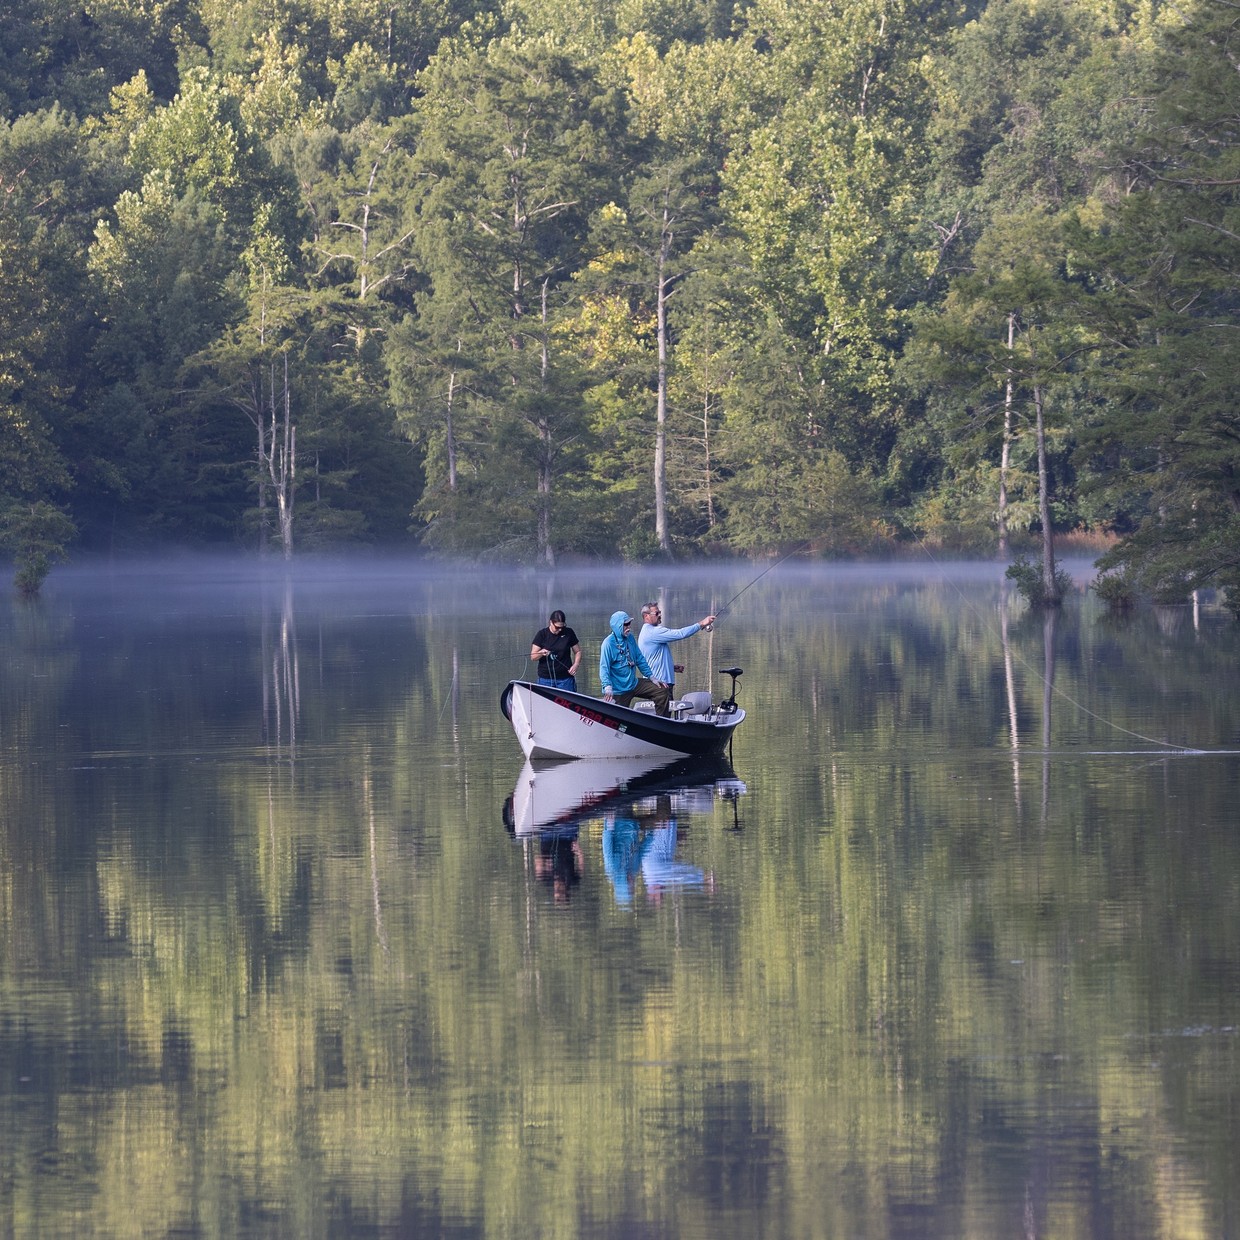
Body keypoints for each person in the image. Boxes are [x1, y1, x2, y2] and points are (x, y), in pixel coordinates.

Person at [636, 601, 716, 701]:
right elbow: (680, 633)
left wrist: (671, 667)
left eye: (660, 612)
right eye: (657, 613)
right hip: (661, 686)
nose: (660, 615)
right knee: (663, 715)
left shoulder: (646, 632)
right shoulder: (653, 632)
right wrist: (702, 623)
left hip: (656, 684)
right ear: (646, 616)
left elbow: (650, 659)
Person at [598, 611, 671, 715]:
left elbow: (639, 658)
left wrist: (651, 677)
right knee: (619, 718)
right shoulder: (608, 644)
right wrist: (607, 686)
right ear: (617, 626)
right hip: (618, 690)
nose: (629, 627)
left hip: (633, 684)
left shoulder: (630, 638)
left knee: (662, 690)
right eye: (625, 624)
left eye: (629, 624)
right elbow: (604, 668)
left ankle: (662, 722)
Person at [530, 609, 581, 691]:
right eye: (557, 627)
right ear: (551, 622)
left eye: (562, 627)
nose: (560, 630)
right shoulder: (542, 634)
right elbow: (533, 657)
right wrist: (541, 652)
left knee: (568, 703)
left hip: (565, 679)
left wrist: (576, 664)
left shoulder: (569, 632)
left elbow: (578, 651)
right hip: (545, 679)